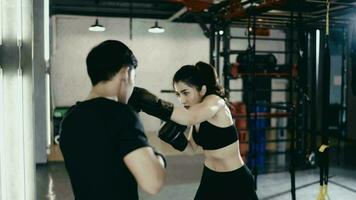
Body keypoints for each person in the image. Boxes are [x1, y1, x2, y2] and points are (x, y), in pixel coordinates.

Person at [129, 61, 258, 200]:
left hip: (235, 179)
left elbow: (191, 118)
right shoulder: (196, 112)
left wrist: (149, 102)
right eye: (178, 94)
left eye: (185, 93)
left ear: (202, 90)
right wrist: (175, 139)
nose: (182, 100)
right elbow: (192, 149)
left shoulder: (215, 102)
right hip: (211, 178)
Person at [59, 40, 166, 200]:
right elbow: (153, 183)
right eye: (133, 77)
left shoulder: (70, 117)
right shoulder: (121, 115)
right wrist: (158, 155)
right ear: (126, 72)